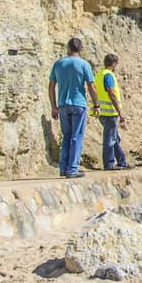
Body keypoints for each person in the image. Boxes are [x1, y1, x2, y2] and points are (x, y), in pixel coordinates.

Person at [48, 37, 97, 179]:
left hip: (63, 104)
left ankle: (63, 168)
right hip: (78, 104)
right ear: (80, 49)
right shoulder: (84, 64)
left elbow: (51, 85)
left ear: (68, 49)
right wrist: (96, 104)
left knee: (66, 136)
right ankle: (73, 169)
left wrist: (53, 106)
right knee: (77, 137)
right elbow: (91, 86)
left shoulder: (58, 64)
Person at [93, 53, 129, 170]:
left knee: (115, 138)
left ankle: (122, 161)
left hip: (103, 112)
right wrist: (120, 113)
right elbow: (111, 93)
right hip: (110, 113)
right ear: (113, 64)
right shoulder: (108, 75)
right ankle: (109, 164)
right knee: (110, 139)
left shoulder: (99, 74)